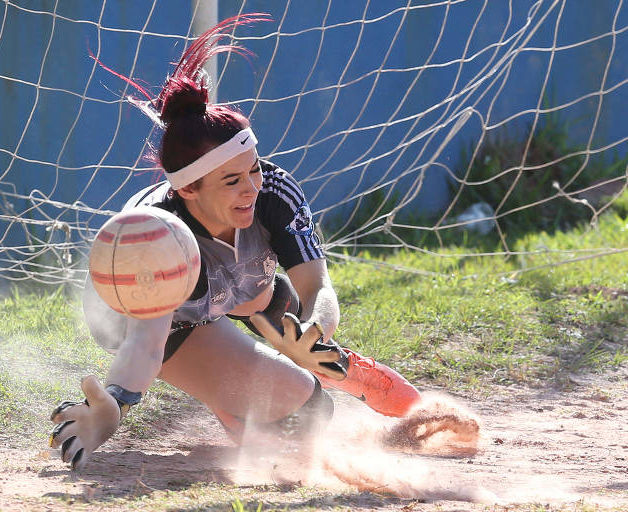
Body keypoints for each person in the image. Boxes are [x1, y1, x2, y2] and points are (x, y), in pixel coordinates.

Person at [50, 14, 421, 471]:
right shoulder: (157, 234)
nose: (252, 187)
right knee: (310, 410)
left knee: (269, 299)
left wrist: (315, 333)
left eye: (254, 168)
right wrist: (112, 408)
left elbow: (317, 286)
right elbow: (145, 344)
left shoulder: (272, 191)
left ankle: (336, 364)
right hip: (158, 324)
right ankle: (232, 400)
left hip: (239, 293)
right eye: (231, 180)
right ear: (188, 189)